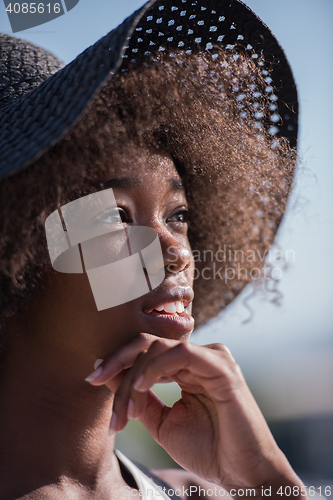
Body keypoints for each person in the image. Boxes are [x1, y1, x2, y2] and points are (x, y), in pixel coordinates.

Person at [0, 0, 304, 498]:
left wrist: (265, 478)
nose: (177, 253)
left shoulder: (201, 493)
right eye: (115, 217)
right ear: (15, 256)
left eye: (178, 216)